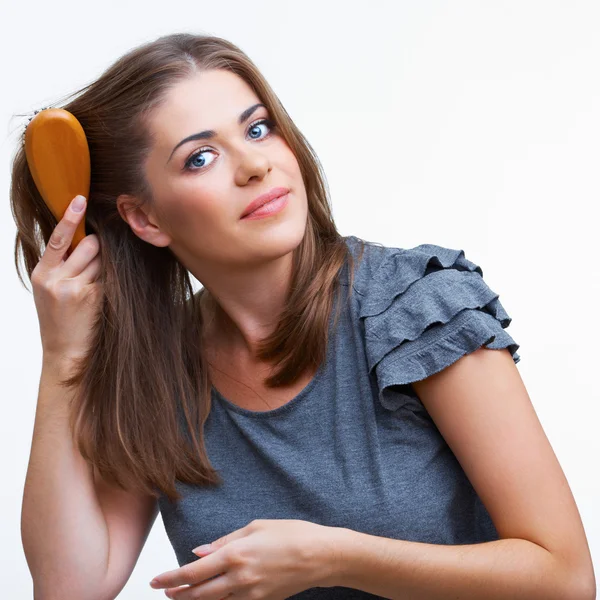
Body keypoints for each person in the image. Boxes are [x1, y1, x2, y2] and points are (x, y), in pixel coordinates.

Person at [14, 33, 595, 600]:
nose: (254, 165)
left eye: (258, 128)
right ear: (146, 220)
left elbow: (564, 578)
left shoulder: (414, 307)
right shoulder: (162, 371)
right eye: (201, 157)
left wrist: (333, 558)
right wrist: (62, 356)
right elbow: (70, 588)